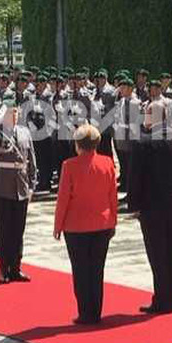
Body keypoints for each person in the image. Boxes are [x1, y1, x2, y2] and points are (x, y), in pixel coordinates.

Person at [128, 100, 172, 314]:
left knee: (158, 253)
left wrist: (134, 205)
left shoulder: (143, 143)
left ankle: (162, 298)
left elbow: (135, 178)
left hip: (152, 205)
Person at [53, 124, 119, 325]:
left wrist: (57, 225)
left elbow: (63, 198)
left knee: (81, 270)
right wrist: (113, 220)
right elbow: (112, 196)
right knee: (97, 269)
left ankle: (85, 312)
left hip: (76, 226)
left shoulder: (69, 165)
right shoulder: (107, 163)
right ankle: (96, 311)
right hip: (102, 224)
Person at [0, 90, 38, 283]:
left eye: (15, 111)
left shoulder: (24, 132)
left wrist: (32, 185)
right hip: (1, 185)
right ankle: (3, 266)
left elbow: (31, 160)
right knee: (3, 227)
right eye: (10, 111)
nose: (14, 114)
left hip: (20, 185)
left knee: (18, 228)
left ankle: (16, 266)